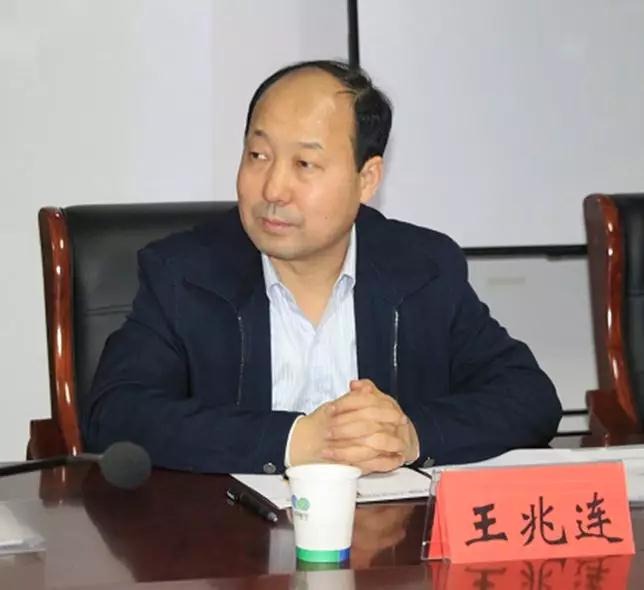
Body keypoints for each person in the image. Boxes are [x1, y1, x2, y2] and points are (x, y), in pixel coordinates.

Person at [82, 60, 561, 475]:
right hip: (233, 544)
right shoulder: (184, 273)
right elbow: (116, 415)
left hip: (392, 544)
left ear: (366, 179)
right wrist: (294, 441)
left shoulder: (423, 269)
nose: (273, 189)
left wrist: (411, 436)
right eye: (258, 156)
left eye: (305, 164)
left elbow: (529, 397)